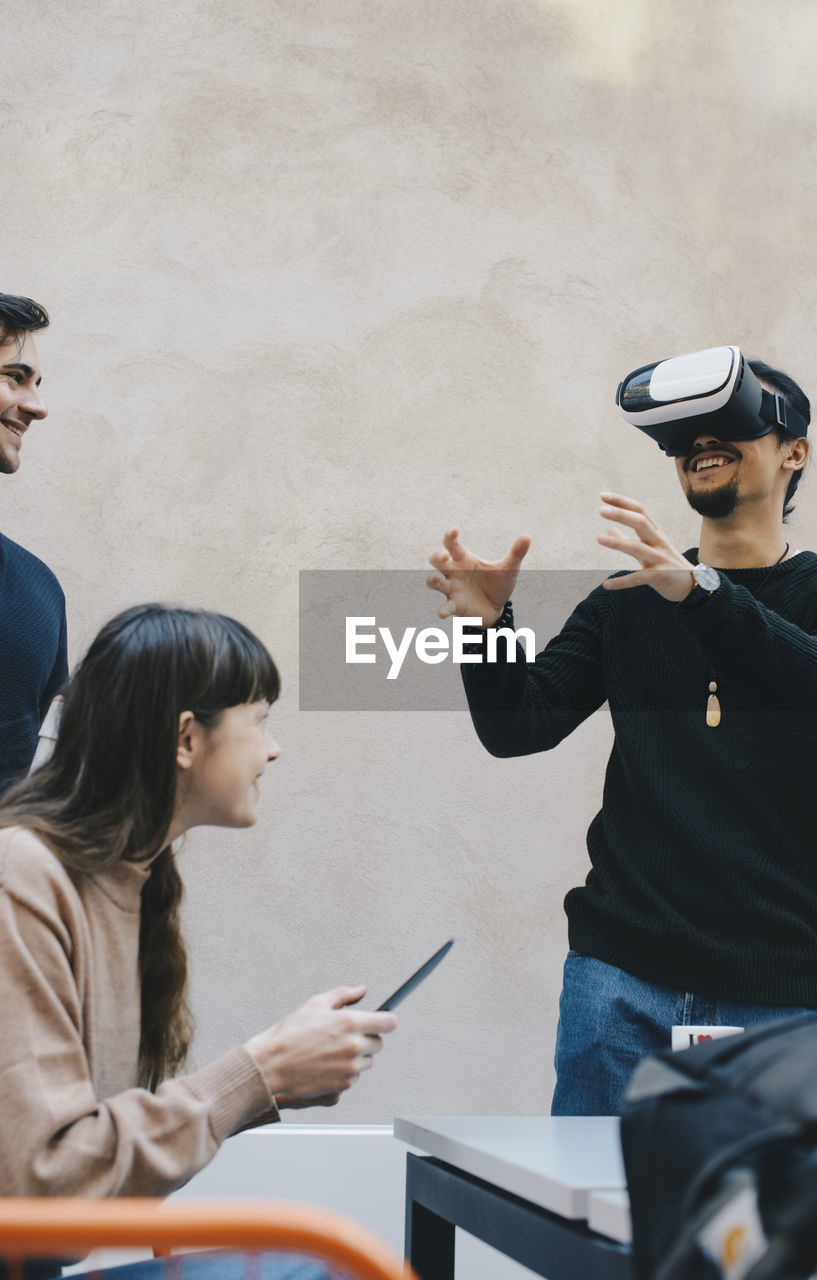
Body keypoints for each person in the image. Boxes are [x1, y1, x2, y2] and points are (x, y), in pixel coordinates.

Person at [427, 355, 817, 1116]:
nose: (702, 439)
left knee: (751, 1236)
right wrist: (487, 631)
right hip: (618, 982)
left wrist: (702, 595)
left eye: (736, 419)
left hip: (780, 1000)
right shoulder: (628, 599)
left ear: (795, 450)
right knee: (589, 1230)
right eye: (687, 431)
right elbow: (519, 724)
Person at [0, 604, 396, 1279]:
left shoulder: (133, 881)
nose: (273, 749)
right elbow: (48, 1190)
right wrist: (259, 1074)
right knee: (331, 1267)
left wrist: (268, 1073)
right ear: (186, 738)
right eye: (259, 720)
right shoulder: (24, 875)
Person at [0, 292, 67, 794]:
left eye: (36, 383)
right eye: (14, 377)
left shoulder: (39, 591)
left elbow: (45, 784)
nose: (37, 407)